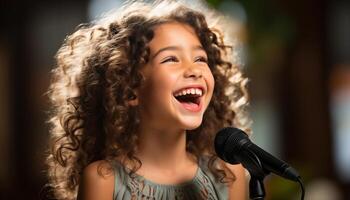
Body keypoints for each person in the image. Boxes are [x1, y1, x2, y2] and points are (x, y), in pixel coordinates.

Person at [46, 0, 251, 199]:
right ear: (129, 89)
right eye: (171, 59)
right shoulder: (103, 180)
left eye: (200, 59)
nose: (194, 70)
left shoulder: (228, 175)